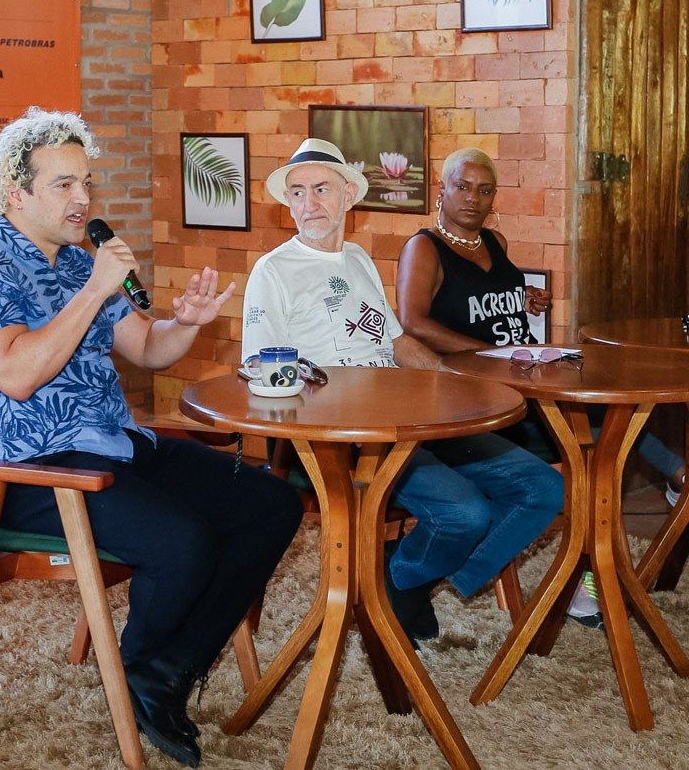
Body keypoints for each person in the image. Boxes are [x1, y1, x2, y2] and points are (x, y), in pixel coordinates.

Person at [0, 107, 302, 768]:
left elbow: (147, 349)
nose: (83, 198)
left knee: (270, 503)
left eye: (86, 182)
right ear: (16, 194)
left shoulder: (81, 266)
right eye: (63, 184)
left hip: (116, 446)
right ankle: (143, 674)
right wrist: (95, 288)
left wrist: (185, 323)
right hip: (34, 470)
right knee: (183, 541)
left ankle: (162, 669)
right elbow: (17, 374)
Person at [395, 147, 689, 628]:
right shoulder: (423, 248)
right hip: (479, 399)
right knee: (599, 444)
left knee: (609, 436)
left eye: (484, 190)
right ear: (442, 190)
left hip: (522, 380)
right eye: (462, 187)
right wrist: (487, 353)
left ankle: (592, 571)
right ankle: (678, 484)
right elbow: (413, 322)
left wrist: (525, 298)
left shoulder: (494, 242)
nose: (473, 198)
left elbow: (481, 297)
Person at [241, 138, 563, 645]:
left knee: (543, 488)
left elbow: (396, 342)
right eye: (298, 193)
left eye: (321, 189)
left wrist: (460, 383)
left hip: (410, 415)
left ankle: (405, 575)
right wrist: (328, 395)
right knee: (465, 512)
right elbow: (260, 371)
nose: (309, 204)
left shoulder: (357, 259)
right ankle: (409, 577)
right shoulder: (273, 271)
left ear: (348, 195)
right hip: (348, 437)